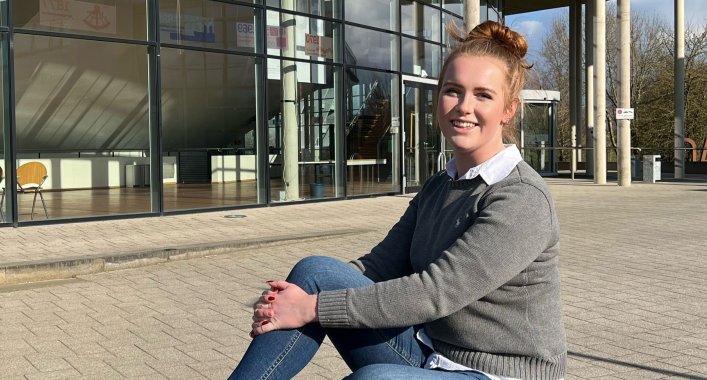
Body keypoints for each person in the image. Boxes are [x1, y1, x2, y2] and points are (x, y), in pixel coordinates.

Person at [230, 20, 566, 380]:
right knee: (315, 272)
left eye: (483, 95)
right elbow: (377, 267)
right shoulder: (440, 185)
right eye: (453, 91)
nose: (463, 107)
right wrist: (286, 303)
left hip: (500, 373)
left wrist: (312, 308)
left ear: (508, 110)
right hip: (431, 353)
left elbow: (437, 292)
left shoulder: (520, 197)